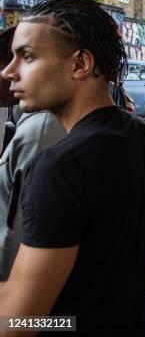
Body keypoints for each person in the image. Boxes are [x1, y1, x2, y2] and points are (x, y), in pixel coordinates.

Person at [0, 0, 145, 334]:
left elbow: (17, 322)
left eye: (28, 56)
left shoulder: (59, 167)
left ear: (80, 63)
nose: (9, 71)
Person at [0, 26, 66, 281]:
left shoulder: (41, 131)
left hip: (34, 312)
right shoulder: (32, 122)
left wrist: (10, 318)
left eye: (24, 59)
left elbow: (17, 236)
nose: (8, 72)